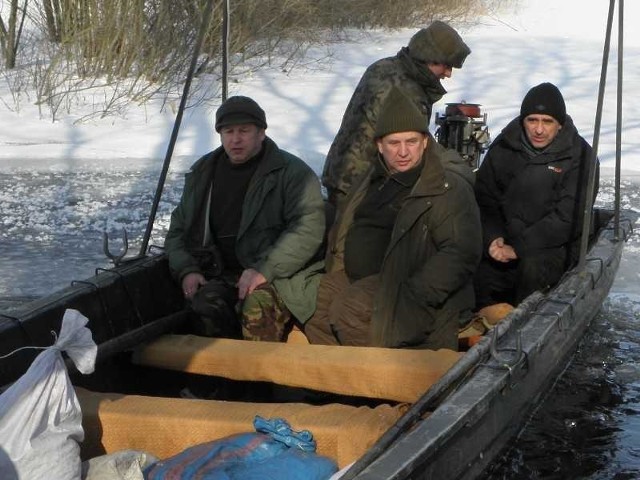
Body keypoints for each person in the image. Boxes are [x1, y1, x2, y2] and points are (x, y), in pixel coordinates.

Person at [304, 86, 482, 350]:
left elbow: (460, 252)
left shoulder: (442, 186)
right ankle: (337, 384)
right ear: (379, 145)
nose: (403, 152)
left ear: (424, 142)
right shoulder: (373, 178)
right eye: (394, 143)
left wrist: (415, 293)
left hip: (408, 285)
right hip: (359, 276)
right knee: (312, 305)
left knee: (349, 311)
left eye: (411, 142)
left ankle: (376, 385)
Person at [164, 95, 326, 342]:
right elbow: (178, 231)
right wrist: (187, 269)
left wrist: (264, 269)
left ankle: (263, 378)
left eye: (244, 131)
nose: (235, 139)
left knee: (255, 308)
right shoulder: (202, 173)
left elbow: (307, 229)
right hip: (221, 272)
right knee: (205, 307)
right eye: (228, 131)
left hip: (282, 274)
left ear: (261, 133)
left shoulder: (292, 173)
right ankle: (221, 379)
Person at [474, 82, 599, 309]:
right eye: (532, 120)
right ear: (523, 121)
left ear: (559, 124)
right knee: (475, 265)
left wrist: (518, 248)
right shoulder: (504, 147)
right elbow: (485, 198)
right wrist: (492, 237)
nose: (539, 130)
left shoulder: (580, 156)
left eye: (547, 122)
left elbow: (568, 218)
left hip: (552, 247)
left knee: (532, 269)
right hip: (505, 240)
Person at [322, 20, 471, 208]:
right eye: (446, 65)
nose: (448, 74)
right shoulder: (407, 90)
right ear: (429, 58)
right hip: (362, 186)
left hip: (341, 171)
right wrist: (460, 170)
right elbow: (415, 145)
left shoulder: (385, 66)